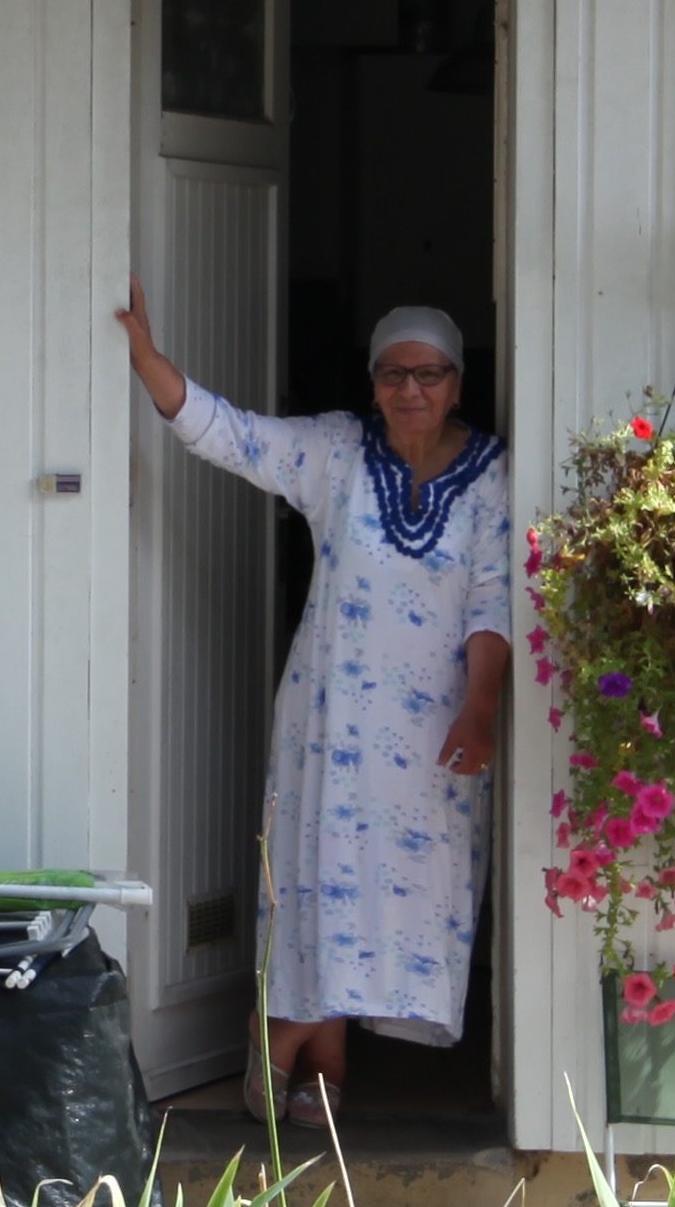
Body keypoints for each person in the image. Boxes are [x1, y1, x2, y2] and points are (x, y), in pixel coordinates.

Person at [111, 283, 514, 1117]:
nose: (411, 391)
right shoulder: (337, 450)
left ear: (457, 383)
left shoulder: (493, 475)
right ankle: (299, 1035)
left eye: (430, 374)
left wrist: (481, 709)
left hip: (437, 732)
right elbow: (233, 435)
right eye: (394, 374)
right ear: (372, 382)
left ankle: (312, 1042)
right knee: (317, 874)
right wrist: (149, 362)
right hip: (331, 721)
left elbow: (493, 598)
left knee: (402, 881)